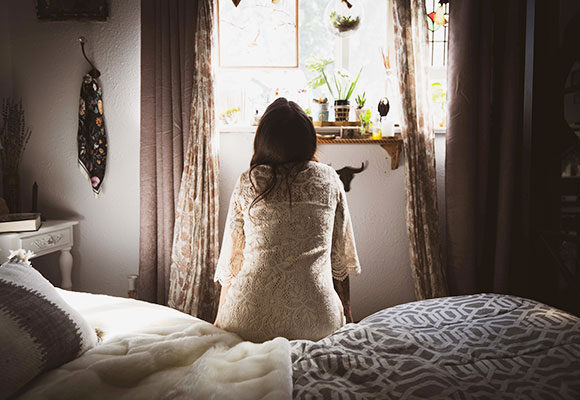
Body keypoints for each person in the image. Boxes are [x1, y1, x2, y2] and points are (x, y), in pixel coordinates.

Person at [214, 97, 361, 342]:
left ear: (263, 141)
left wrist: (218, 321)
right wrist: (348, 316)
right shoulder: (330, 179)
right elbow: (339, 264)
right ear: (309, 140)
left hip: (249, 319)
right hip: (317, 321)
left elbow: (232, 263)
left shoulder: (249, 180)